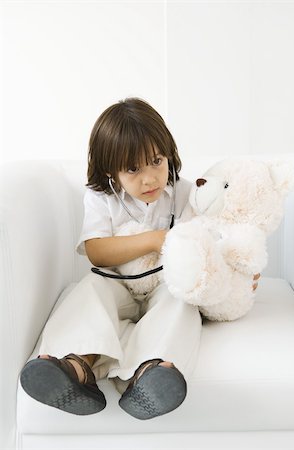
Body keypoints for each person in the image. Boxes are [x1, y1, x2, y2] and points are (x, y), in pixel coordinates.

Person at [20, 98, 260, 420]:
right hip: (118, 283)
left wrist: (238, 272)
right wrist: (152, 240)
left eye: (156, 161)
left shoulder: (186, 193)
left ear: (169, 155)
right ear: (111, 172)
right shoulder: (102, 198)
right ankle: (74, 365)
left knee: (179, 306)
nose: (149, 179)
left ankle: (150, 372)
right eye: (133, 169)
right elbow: (96, 250)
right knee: (91, 290)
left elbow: (213, 238)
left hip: (166, 285)